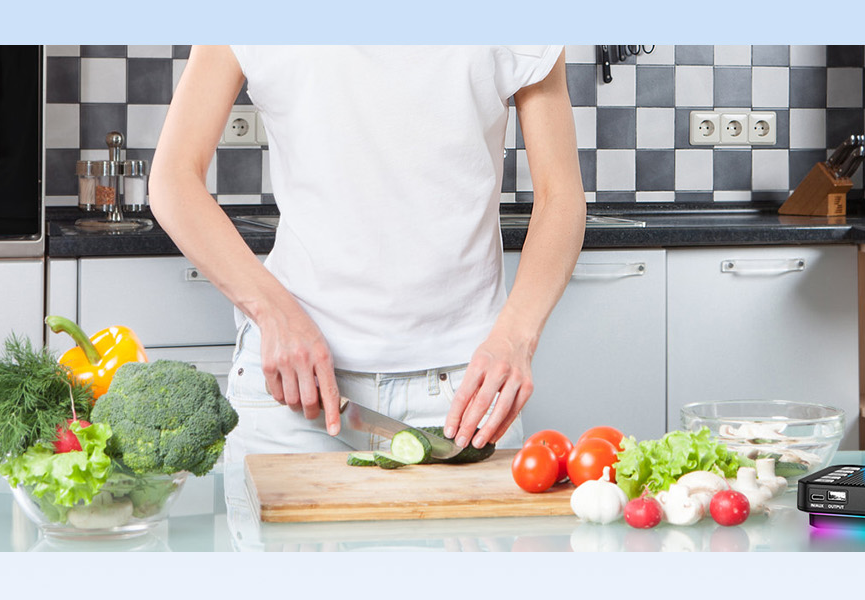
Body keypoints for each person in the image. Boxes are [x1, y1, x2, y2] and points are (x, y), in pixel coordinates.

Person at [149, 45, 584, 493]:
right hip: (295, 392)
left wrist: (516, 337)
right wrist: (274, 314)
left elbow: (561, 195)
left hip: (465, 392)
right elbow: (174, 177)